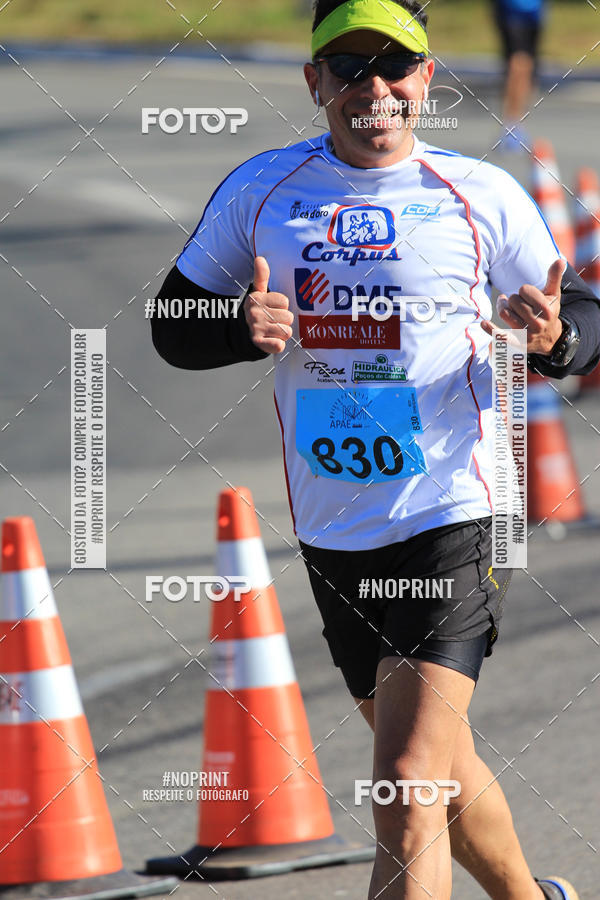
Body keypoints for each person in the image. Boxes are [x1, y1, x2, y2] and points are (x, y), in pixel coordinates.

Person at [151, 1, 600, 896]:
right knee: (436, 762)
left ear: (427, 80)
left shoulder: (479, 192)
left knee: (402, 780)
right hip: (336, 525)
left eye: (397, 67)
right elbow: (173, 323)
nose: (375, 89)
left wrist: (555, 343)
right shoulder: (262, 191)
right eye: (349, 67)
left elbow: (584, 315)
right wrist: (235, 325)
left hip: (457, 510)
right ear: (314, 82)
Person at [492, 0, 546, 152]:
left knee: (529, 67)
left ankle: (517, 123)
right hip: (511, 9)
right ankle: (511, 124)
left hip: (535, 11)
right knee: (518, 63)